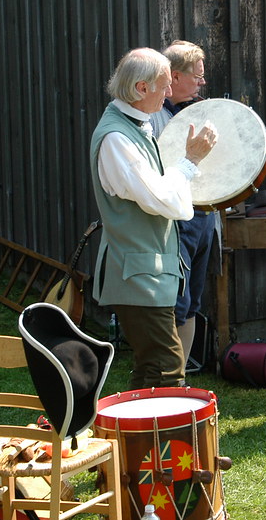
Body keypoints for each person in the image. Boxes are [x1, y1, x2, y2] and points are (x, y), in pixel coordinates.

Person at [90, 47, 218, 389]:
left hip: (148, 271)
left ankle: (137, 443)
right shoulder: (117, 138)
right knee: (165, 370)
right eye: (163, 86)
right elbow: (162, 200)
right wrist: (190, 160)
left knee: (152, 370)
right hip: (137, 275)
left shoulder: (135, 126)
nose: (169, 93)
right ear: (141, 89)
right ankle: (163, 444)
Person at [150, 40, 217, 364]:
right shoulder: (153, 119)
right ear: (174, 77)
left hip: (203, 216)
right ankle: (169, 382)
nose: (202, 82)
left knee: (191, 304)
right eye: (197, 76)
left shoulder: (196, 110)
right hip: (175, 221)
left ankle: (183, 379)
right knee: (177, 303)